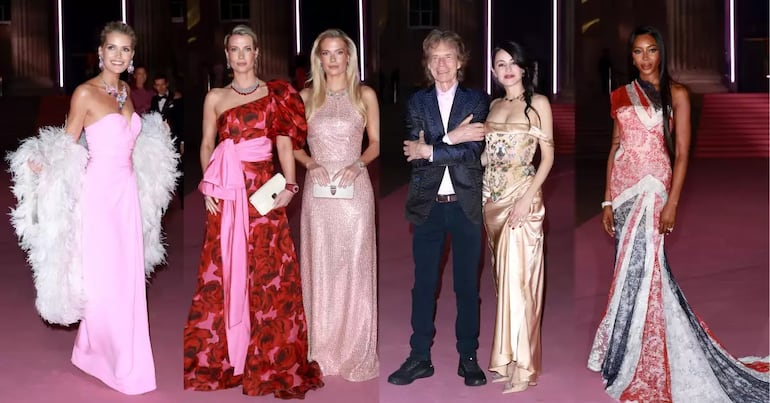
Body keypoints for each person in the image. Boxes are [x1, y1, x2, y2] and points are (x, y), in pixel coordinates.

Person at [587, 26, 769, 402]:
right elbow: (615, 146)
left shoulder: (678, 94)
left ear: (661, 52)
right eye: (638, 52)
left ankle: (644, 352)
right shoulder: (620, 94)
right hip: (621, 190)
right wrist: (606, 200)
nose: (645, 59)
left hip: (653, 189)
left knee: (647, 268)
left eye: (651, 50)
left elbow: (683, 153)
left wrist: (672, 202)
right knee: (626, 269)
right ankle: (626, 348)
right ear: (631, 57)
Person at [6, 21, 179, 395]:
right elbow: (68, 144)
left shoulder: (126, 94)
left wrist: (157, 136)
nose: (118, 55)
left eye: (126, 50)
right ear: (100, 52)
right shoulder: (84, 94)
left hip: (127, 194)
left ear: (133, 57)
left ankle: (94, 351)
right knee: (107, 276)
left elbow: (131, 140)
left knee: (128, 275)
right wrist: (41, 161)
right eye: (112, 49)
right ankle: (112, 357)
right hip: (100, 195)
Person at [182, 24, 323, 399]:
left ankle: (271, 357)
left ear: (257, 53)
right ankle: (228, 357)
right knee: (224, 270)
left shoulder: (276, 93)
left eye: (247, 49)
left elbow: (284, 142)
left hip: (263, 190)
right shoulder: (214, 97)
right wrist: (206, 185)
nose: (241, 56)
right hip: (226, 191)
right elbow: (207, 144)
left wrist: (290, 186)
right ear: (226, 56)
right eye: (234, 49)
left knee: (269, 270)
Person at [388, 29, 490, 387]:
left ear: (460, 62)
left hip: (465, 206)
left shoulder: (477, 99)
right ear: (427, 65)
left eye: (448, 56)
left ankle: (468, 357)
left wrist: (432, 148)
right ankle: (419, 357)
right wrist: (450, 139)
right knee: (424, 284)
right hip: (428, 206)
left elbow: (472, 152)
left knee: (466, 286)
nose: (442, 63)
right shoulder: (417, 102)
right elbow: (414, 158)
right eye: (435, 57)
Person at [451, 40, 554, 393]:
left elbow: (547, 158)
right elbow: (485, 159)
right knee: (502, 281)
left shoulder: (537, 103)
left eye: (513, 62)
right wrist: (458, 158)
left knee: (519, 283)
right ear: (493, 71)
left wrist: (526, 199)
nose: (507, 69)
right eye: (500, 64)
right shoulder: (492, 106)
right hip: (490, 202)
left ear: (524, 68)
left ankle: (523, 368)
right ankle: (508, 358)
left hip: (521, 200)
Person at [293, 28, 380, 382]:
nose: (332, 59)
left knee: (354, 267)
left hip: (354, 190)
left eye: (338, 52)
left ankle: (355, 345)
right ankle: (323, 347)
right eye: (326, 53)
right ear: (319, 57)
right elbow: (293, 146)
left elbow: (374, 143)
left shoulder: (365, 95)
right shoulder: (305, 97)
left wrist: (358, 165)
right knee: (321, 265)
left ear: (348, 56)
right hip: (318, 193)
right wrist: (311, 164)